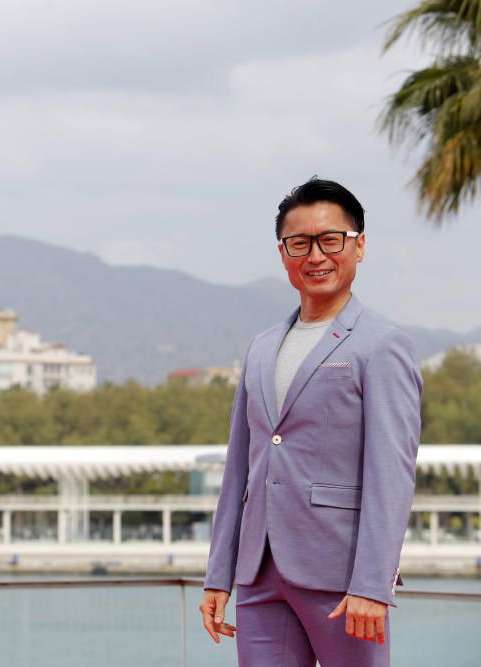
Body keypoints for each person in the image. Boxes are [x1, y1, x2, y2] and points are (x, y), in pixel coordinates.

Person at [199, 178, 422, 666]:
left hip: (341, 578)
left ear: (359, 246)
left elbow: (391, 475)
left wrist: (372, 582)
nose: (315, 255)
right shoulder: (260, 348)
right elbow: (240, 470)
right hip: (259, 575)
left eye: (330, 240)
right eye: (299, 243)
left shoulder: (382, 346)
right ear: (283, 254)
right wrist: (219, 574)